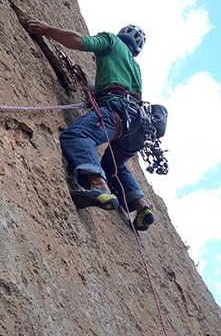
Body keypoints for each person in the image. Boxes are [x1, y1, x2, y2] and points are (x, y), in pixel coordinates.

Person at [26, 20, 154, 231]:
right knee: (114, 166)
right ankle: (142, 207)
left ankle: (101, 189)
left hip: (117, 113)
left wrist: (47, 30)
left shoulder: (111, 41)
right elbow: (120, 91)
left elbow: (78, 41)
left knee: (76, 136)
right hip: (138, 127)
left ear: (121, 34)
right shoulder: (136, 68)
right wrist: (90, 84)